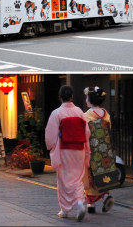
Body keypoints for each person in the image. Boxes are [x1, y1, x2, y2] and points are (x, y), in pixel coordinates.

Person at [45, 85, 90, 222]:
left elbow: (50, 135)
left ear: (60, 97)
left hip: (64, 149)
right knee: (78, 177)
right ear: (72, 97)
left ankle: (64, 209)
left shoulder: (56, 113)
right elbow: (86, 132)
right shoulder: (79, 112)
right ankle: (80, 202)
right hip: (79, 150)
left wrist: (51, 146)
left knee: (64, 179)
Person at [82, 87, 115, 214]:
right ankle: (106, 196)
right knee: (104, 172)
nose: (85, 99)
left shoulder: (86, 115)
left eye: (86, 97)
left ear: (90, 100)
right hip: (105, 149)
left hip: (92, 149)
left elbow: (84, 133)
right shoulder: (106, 114)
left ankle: (90, 203)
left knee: (90, 175)